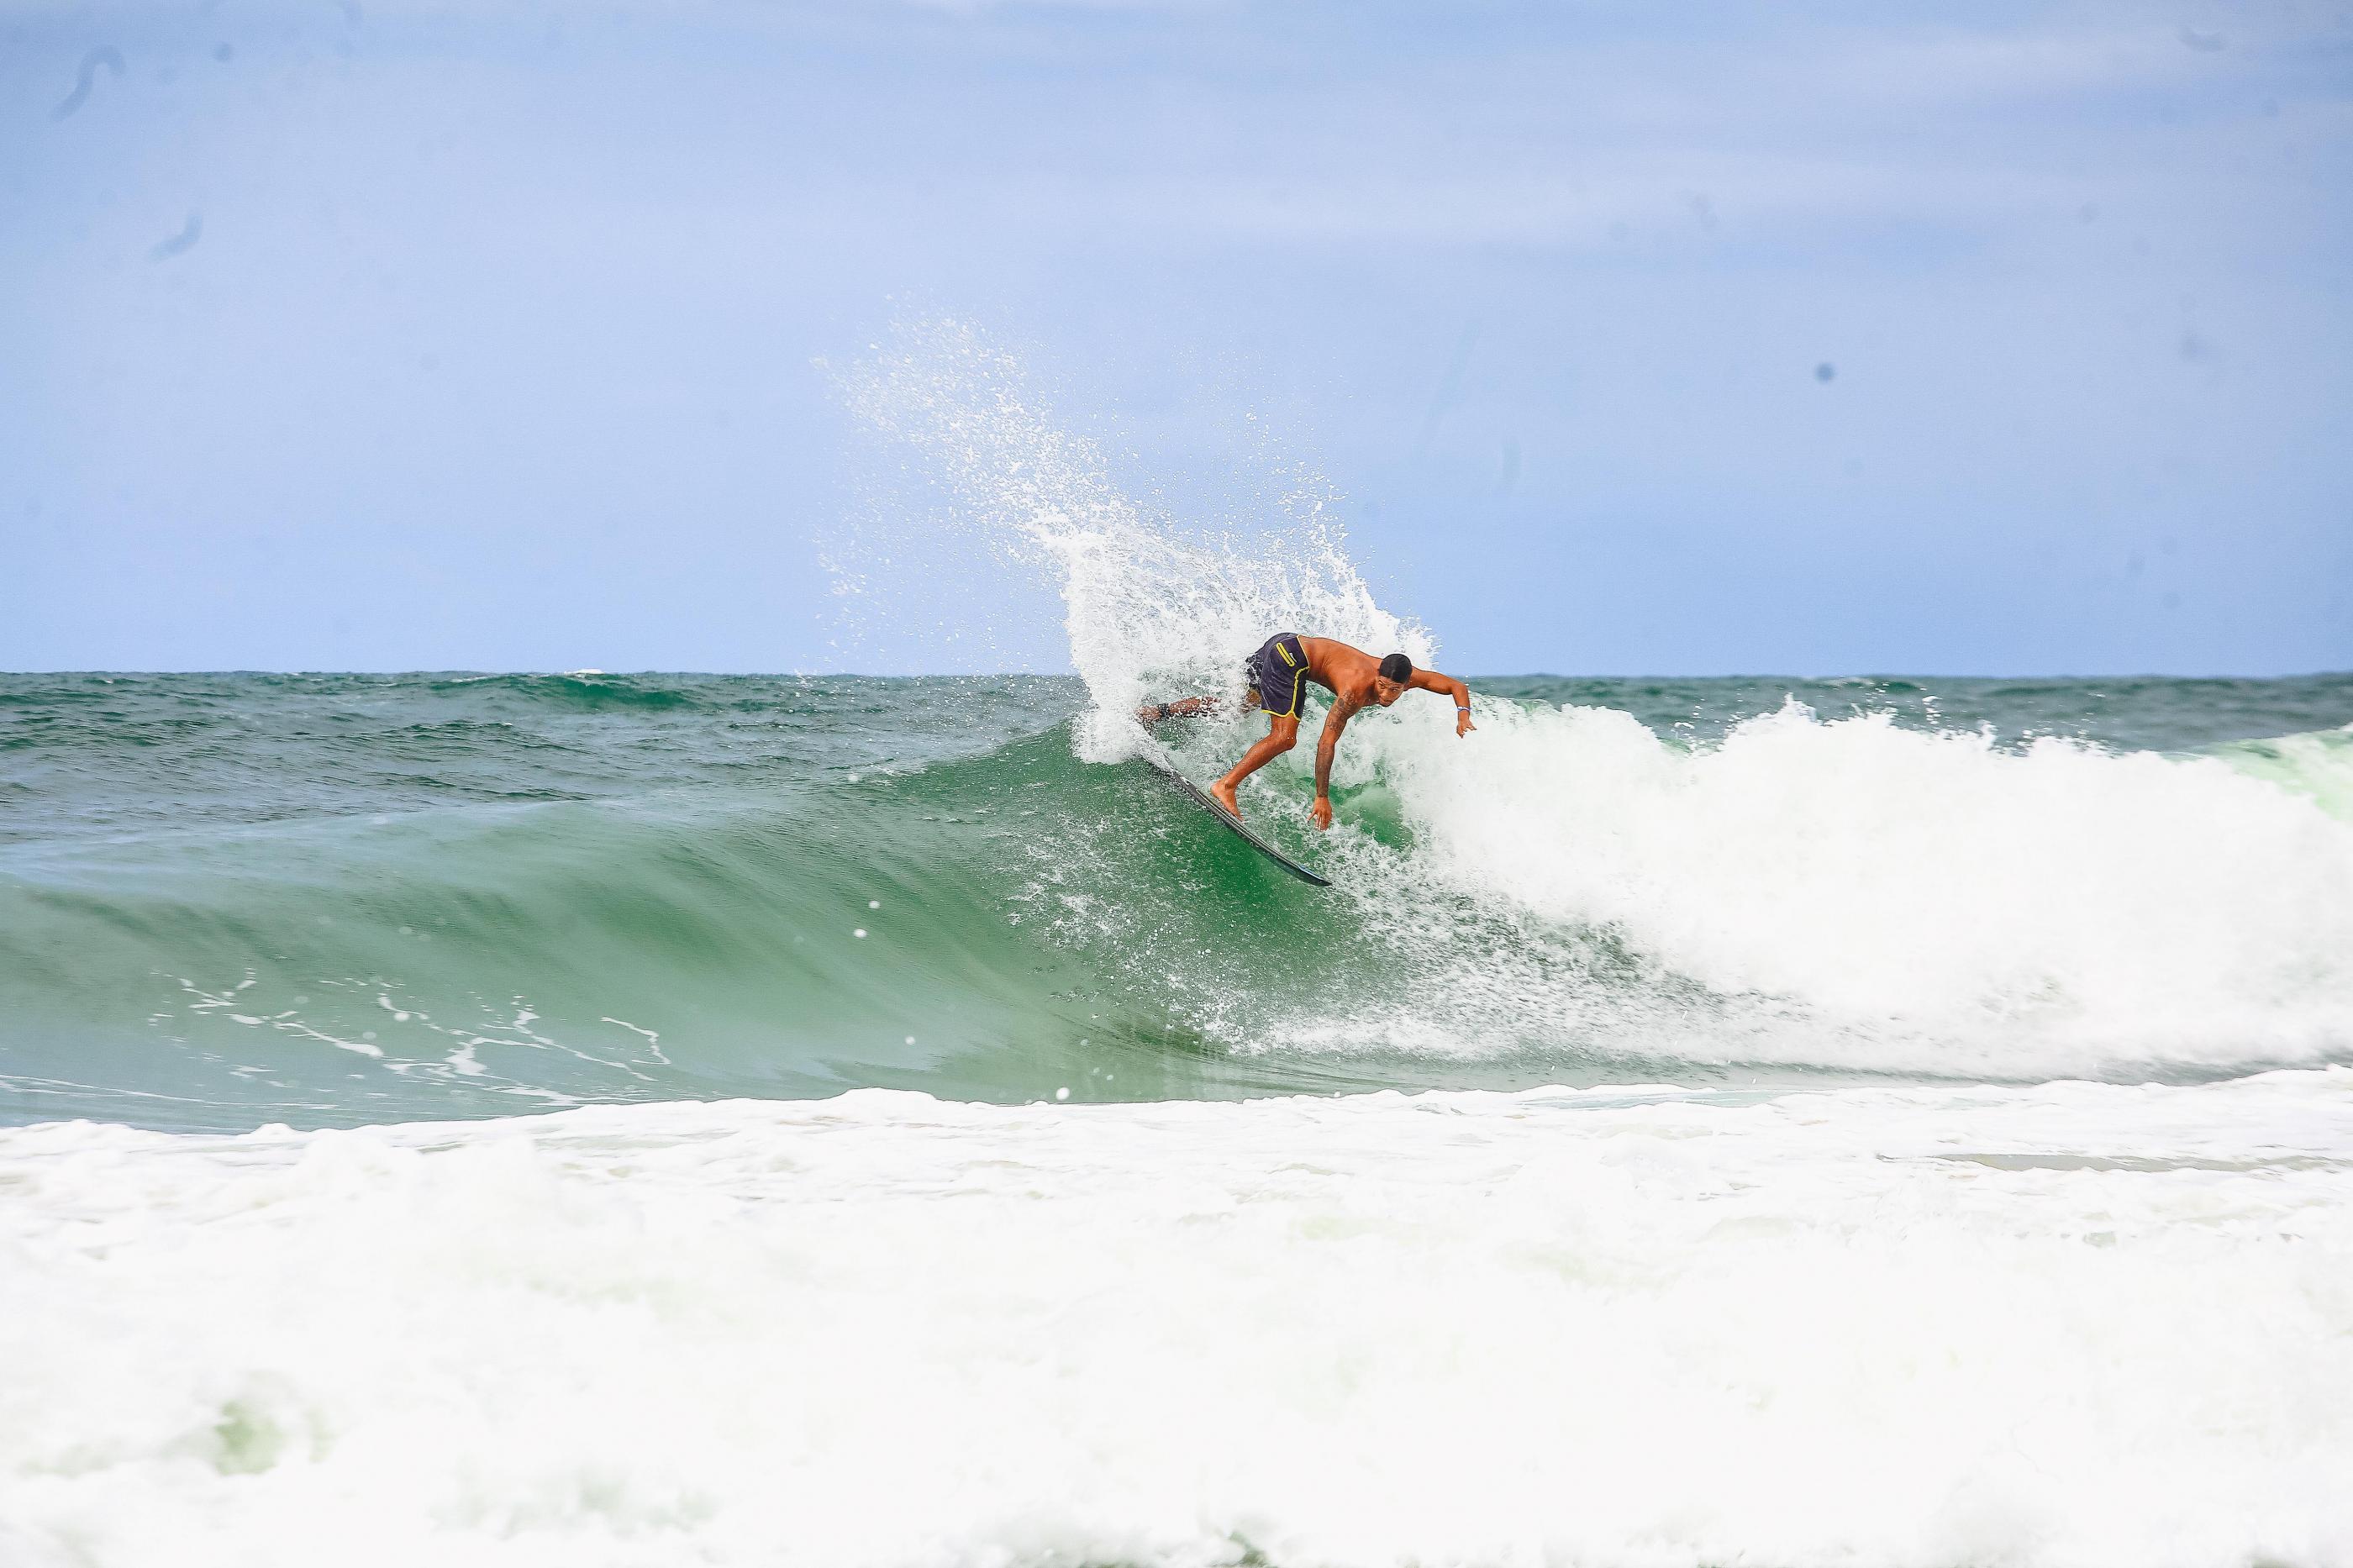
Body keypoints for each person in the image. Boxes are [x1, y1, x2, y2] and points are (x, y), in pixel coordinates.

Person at [1137, 634, 1476, 829]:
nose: (1387, 696)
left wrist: (1462, 715)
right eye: (1383, 687)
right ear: (1376, 677)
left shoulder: (1411, 676)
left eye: (1395, 691)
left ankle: (1156, 713)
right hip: (1290, 658)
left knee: (1239, 708)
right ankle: (1225, 785)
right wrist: (1322, 795)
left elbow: (1455, 685)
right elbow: (1327, 742)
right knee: (1285, 737)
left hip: (1283, 642)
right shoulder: (1354, 691)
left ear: (1407, 685)